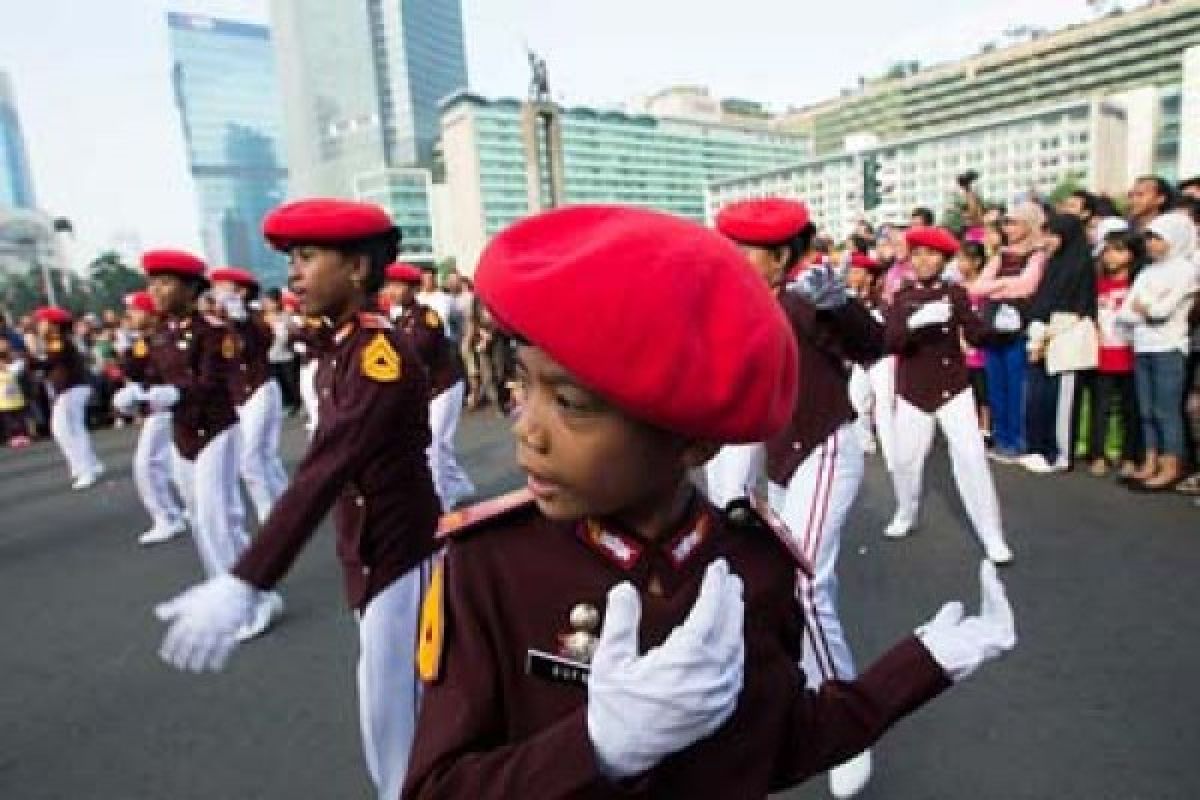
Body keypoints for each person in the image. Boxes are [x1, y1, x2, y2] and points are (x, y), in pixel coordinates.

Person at [402, 204, 1017, 800]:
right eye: (523, 384)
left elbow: (776, 748)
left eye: (571, 403)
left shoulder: (756, 564)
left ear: (695, 440)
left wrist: (921, 665)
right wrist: (595, 748)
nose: (526, 430)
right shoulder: (493, 567)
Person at [153, 199, 442, 800]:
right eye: (292, 259)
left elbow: (325, 468)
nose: (294, 273)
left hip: (399, 555)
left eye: (308, 257)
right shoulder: (341, 345)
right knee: (389, 708)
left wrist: (248, 578)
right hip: (370, 553)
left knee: (394, 714)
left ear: (358, 268)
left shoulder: (376, 356)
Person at [710, 197, 886, 797]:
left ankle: (846, 726)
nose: (733, 258)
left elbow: (874, 345)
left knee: (807, 580)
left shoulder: (807, 294)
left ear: (780, 254)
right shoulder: (740, 302)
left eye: (745, 250)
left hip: (825, 447)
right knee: (764, 579)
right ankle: (786, 696)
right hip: (778, 456)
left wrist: (844, 303)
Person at [140, 250, 282, 636]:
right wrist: (139, 391)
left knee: (220, 517)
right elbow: (152, 373)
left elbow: (210, 383)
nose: (156, 290)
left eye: (166, 282)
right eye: (153, 282)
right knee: (200, 517)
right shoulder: (161, 333)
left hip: (215, 429)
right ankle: (223, 588)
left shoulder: (211, 333)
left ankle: (254, 596)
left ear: (190, 289)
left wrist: (172, 395)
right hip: (183, 433)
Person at [883, 227, 1014, 564]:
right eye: (917, 254)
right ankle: (906, 511)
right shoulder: (902, 296)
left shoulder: (955, 293)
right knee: (905, 460)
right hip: (914, 388)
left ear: (944, 259)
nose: (923, 260)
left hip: (953, 387)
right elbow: (893, 341)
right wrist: (916, 323)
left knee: (972, 460)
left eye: (931, 254)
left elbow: (973, 330)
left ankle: (992, 533)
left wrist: (1001, 332)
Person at [381, 262, 476, 511]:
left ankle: (438, 504)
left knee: (433, 445)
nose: (391, 291)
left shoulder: (426, 316)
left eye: (398, 285)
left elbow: (417, 351)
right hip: (428, 389)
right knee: (438, 443)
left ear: (413, 288)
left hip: (445, 385)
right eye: (388, 285)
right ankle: (460, 485)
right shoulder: (398, 318)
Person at [1116, 211, 1199, 491]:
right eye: (1148, 237)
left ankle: (1171, 464)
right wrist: (1148, 308)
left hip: (1169, 346)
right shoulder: (1147, 271)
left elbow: (1164, 312)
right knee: (1147, 409)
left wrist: (1147, 307)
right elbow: (1126, 312)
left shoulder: (1187, 271)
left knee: (1167, 410)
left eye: (1157, 238)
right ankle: (1150, 461)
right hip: (1143, 344)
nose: (1150, 243)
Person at [209, 266, 289, 524]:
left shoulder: (252, 318)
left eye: (223, 287)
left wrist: (241, 319)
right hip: (240, 395)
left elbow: (263, 340)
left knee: (250, 459)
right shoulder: (220, 323)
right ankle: (287, 505)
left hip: (259, 389)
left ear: (240, 291)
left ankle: (270, 515)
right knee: (265, 455)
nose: (216, 292)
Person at [1021, 214, 1099, 474]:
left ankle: (1062, 454)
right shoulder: (1053, 264)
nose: (1048, 241)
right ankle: (1040, 448)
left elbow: (1077, 310)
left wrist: (1043, 338)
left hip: (1067, 342)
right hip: (1044, 337)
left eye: (1053, 235)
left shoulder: (1081, 266)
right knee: (1040, 397)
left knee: (1063, 401)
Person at [973, 202, 1049, 462]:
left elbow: (1028, 286)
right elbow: (977, 287)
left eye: (1014, 222)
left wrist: (998, 286)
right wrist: (1006, 286)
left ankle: (1017, 441)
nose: (1008, 228)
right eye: (1006, 223)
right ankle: (1001, 437)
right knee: (996, 386)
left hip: (1020, 329)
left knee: (1018, 387)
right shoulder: (1000, 255)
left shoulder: (1038, 255)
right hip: (994, 327)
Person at [111, 290, 187, 545]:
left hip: (169, 407)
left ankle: (168, 517)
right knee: (171, 465)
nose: (129, 316)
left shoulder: (164, 336)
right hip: (161, 407)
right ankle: (176, 512)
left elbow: (165, 373)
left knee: (147, 465)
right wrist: (127, 350)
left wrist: (142, 391)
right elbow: (135, 370)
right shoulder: (147, 338)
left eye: (135, 310)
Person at [1086, 231, 1145, 479]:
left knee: (1131, 409)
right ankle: (1098, 454)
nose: (1111, 256)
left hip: (1131, 353)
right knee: (1100, 408)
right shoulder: (1098, 285)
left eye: (1118, 250)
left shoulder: (1137, 283)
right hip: (1103, 353)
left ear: (1132, 254)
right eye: (1108, 250)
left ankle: (1130, 455)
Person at [27, 306, 104, 489]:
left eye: (43, 322)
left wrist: (31, 356)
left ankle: (85, 469)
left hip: (71, 388)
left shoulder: (58, 340)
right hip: (71, 388)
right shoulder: (58, 340)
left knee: (67, 430)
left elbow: (49, 362)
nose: (40, 325)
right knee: (71, 429)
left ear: (53, 324)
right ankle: (90, 464)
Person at [957, 241, 992, 440]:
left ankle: (985, 427)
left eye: (965, 259)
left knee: (983, 391)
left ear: (977, 262)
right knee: (964, 392)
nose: (960, 264)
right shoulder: (956, 288)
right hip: (960, 348)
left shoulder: (985, 287)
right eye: (959, 259)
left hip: (980, 349)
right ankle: (968, 427)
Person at [261, 288, 302, 415]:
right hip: (271, 357)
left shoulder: (285, 316)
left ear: (277, 302)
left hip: (287, 356)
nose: (266, 305)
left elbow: (295, 333)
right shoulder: (263, 318)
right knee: (278, 383)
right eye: (265, 302)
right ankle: (287, 403)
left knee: (292, 381)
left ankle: (297, 403)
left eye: (269, 302)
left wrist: (287, 332)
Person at [0, 338, 31, 447]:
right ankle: (13, 438)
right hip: (3, 401)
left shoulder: (16, 361)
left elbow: (17, 369)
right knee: (8, 420)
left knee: (20, 418)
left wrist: (7, 365)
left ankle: (23, 436)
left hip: (16, 398)